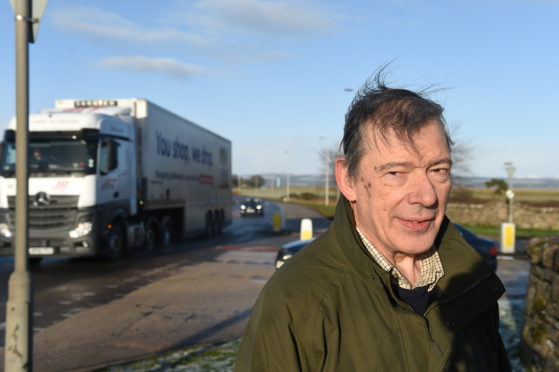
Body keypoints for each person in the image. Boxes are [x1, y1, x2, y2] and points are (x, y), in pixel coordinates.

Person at [235, 73, 511, 371]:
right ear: (348, 179)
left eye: (438, 170)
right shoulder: (296, 298)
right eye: (395, 173)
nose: (426, 196)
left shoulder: (471, 282)